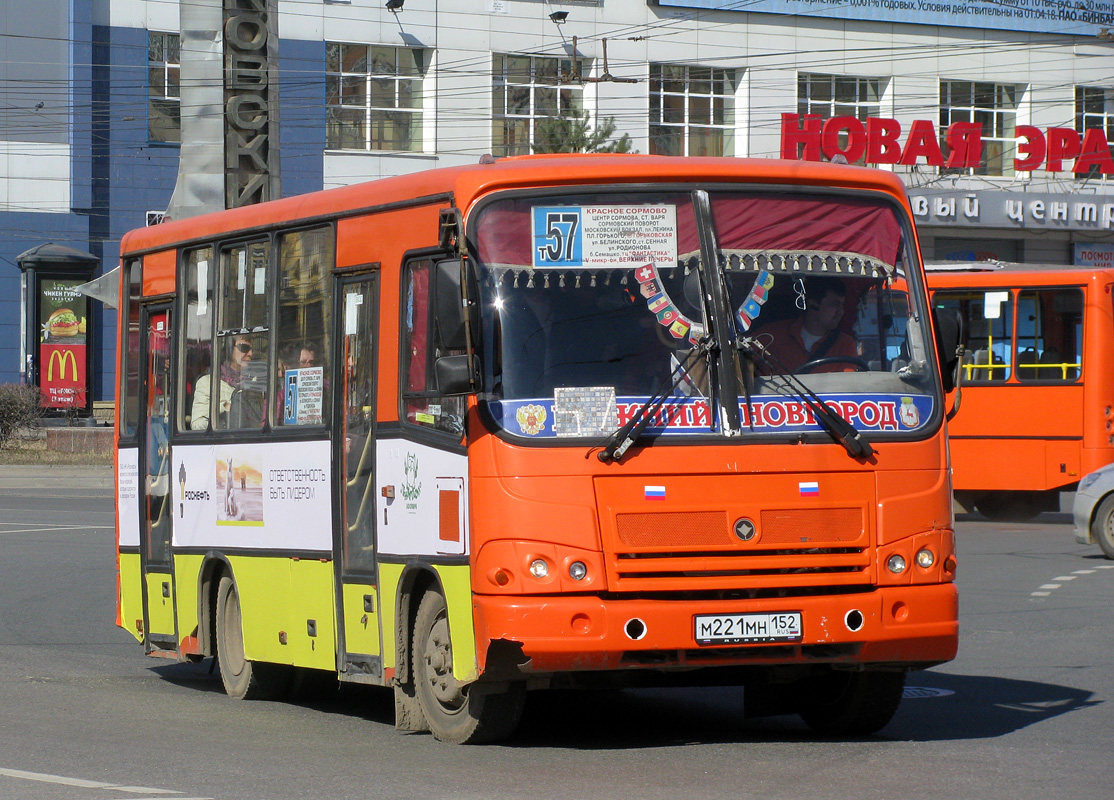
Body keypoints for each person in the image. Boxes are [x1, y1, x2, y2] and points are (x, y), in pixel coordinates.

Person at [752, 276, 858, 373]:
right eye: (835, 304)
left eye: (842, 305)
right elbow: (740, 357)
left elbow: (846, 388)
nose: (841, 311)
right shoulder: (772, 334)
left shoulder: (844, 345)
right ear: (813, 304)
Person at [191, 334, 259, 430]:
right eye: (244, 348)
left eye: (252, 350)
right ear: (230, 349)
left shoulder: (257, 382)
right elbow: (197, 424)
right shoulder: (207, 383)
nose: (250, 354)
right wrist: (225, 410)